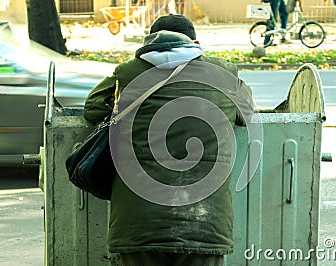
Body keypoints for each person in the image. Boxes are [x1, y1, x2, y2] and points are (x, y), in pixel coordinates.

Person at [83, 14, 254, 266]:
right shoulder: (223, 73)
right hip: (205, 225)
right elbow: (247, 113)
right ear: (195, 43)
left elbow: (94, 108)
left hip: (138, 226)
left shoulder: (129, 72)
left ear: (150, 41)